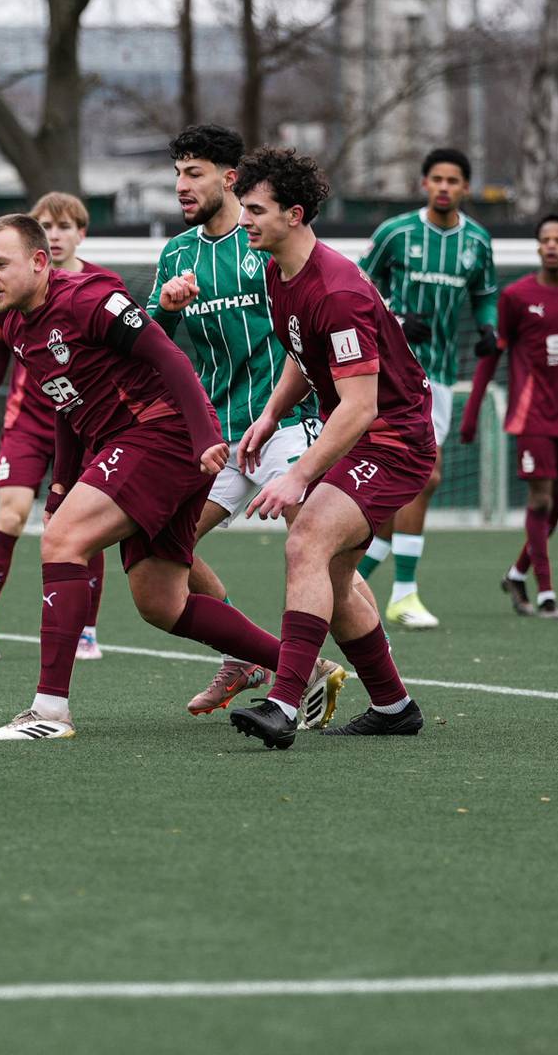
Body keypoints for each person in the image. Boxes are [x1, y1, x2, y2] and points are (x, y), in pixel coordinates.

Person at [0, 214, 337, 740]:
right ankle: (305, 671)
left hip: (159, 437)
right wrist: (59, 485)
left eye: (1, 264)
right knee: (161, 604)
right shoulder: (15, 325)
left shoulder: (89, 297)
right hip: (140, 445)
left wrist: (202, 438)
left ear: (38, 261)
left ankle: (49, 712)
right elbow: (67, 403)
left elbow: (170, 358)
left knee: (62, 541)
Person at [228, 148, 430, 750]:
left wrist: (296, 477)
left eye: (256, 210)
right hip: (354, 432)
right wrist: (269, 414)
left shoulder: (338, 291)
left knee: (307, 538)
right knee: (333, 575)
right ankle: (395, 706)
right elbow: (300, 352)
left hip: (392, 440)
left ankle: (284, 705)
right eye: (243, 208)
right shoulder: (278, 269)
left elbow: (362, 406)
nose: (244, 220)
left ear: (294, 214)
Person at [151, 124, 339, 720]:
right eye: (177, 172)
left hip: (285, 426)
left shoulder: (267, 243)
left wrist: (277, 410)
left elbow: (307, 334)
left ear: (230, 179)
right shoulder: (177, 254)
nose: (181, 185)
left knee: (318, 549)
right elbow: (150, 346)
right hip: (216, 438)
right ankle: (244, 654)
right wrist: (166, 308)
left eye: (194, 172)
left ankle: (385, 683)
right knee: (165, 549)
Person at [354, 148, 499, 628]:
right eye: (436, 178)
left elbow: (483, 297)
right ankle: (405, 592)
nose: (443, 187)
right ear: (423, 184)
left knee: (416, 480)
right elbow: (356, 288)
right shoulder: (395, 233)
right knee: (422, 477)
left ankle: (360, 571)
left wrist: (488, 329)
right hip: (388, 372)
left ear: (464, 188)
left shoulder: (477, 241)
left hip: (437, 374)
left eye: (453, 180)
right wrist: (395, 316)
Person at [0, 192, 108, 663]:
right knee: (11, 514)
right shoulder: (11, 288)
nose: (58, 232)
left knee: (87, 522)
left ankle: (87, 629)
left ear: (80, 234)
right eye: (48, 224)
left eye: (66, 226)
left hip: (85, 422)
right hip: (28, 422)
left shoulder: (98, 289)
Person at [460, 215, 558, 619]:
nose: (551, 245)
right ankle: (545, 592)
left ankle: (517, 572)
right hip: (532, 416)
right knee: (540, 498)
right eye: (545, 239)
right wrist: (472, 413)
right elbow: (491, 357)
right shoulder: (517, 296)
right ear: (538, 246)